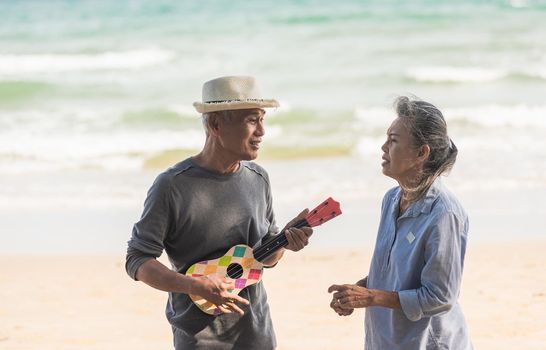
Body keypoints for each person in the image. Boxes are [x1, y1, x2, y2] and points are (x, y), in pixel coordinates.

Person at [125, 75, 313, 349]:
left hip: (257, 334)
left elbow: (264, 259)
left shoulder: (258, 178)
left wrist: (284, 242)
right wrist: (194, 286)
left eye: (262, 119)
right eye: (251, 120)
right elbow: (138, 260)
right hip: (200, 340)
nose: (262, 131)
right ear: (215, 124)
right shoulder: (172, 186)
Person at [328, 96, 473, 349]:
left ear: (421, 153)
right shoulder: (391, 199)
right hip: (386, 340)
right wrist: (357, 293)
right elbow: (394, 272)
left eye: (393, 141)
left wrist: (371, 296)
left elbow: (440, 297)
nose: (383, 148)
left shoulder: (444, 214)